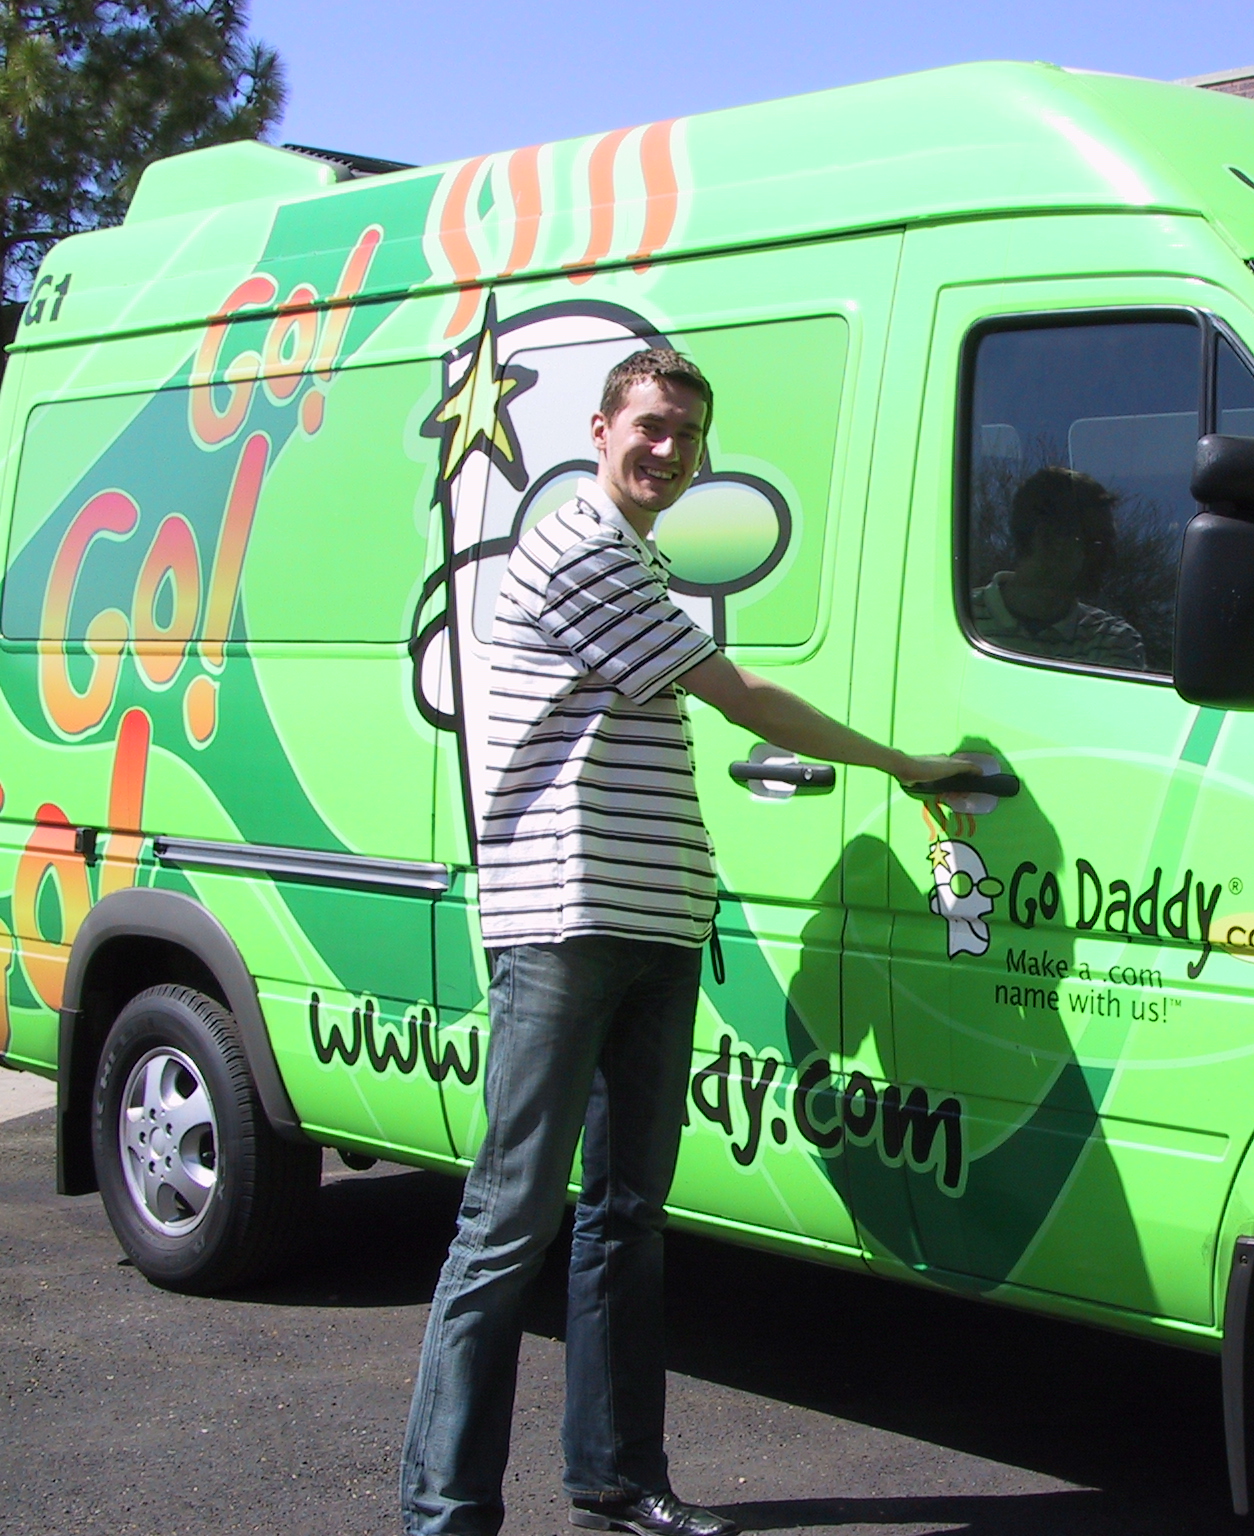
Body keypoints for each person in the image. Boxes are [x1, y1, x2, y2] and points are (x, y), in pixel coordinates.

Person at [400, 347, 970, 1536]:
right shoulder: (580, 549)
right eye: (652, 425)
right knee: (506, 1223)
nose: (669, 450)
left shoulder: (637, 558)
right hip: (565, 924)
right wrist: (905, 765)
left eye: (689, 433)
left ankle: (616, 1479)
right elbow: (740, 696)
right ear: (600, 428)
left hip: (652, 922)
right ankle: (444, 1512)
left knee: (625, 1217)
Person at [970, 465, 1146, 669]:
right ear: (1046, 539)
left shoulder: (1113, 640)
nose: (1110, 557)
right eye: (1097, 542)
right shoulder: (956, 621)